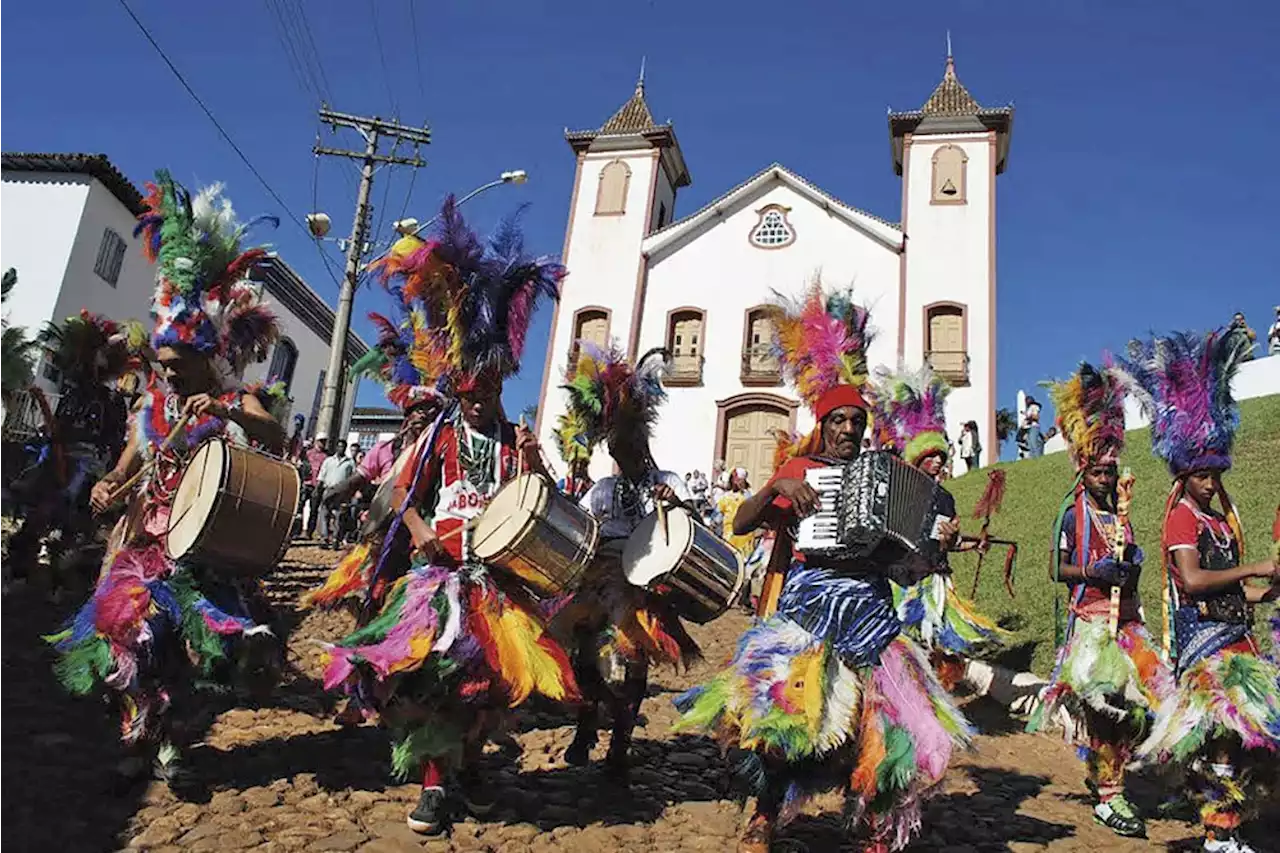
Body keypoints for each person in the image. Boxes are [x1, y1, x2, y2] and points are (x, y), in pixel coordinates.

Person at [674, 283, 972, 853]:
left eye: (856, 426)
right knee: (782, 715)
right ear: (823, 424)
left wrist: (940, 546)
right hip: (809, 600)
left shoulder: (883, 475)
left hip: (871, 605)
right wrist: (778, 486)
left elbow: (909, 564)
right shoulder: (800, 468)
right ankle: (765, 811)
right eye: (839, 424)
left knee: (888, 719)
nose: (848, 433)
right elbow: (742, 526)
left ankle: (872, 822)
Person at [321, 197, 571, 836]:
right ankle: (434, 785)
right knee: (434, 682)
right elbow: (403, 494)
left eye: (492, 384)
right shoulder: (440, 435)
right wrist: (420, 532)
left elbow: (536, 508)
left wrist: (539, 467)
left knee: (486, 689)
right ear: (460, 383)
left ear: (501, 382)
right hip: (442, 576)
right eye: (473, 384)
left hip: (497, 582)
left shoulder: (517, 441)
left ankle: (474, 766)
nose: (482, 393)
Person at [46, 172, 286, 786]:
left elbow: (273, 437)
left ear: (209, 360)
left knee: (189, 653)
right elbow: (132, 454)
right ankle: (137, 730)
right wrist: (108, 485)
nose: (171, 377)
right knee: (126, 637)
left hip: (204, 551)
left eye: (181, 368)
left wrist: (227, 411)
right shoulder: (153, 403)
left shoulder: (236, 395)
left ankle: (173, 745)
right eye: (166, 367)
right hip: (145, 544)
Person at [1120, 329, 1280, 853]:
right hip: (1205, 648)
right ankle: (1217, 833)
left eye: (1216, 473)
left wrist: (1266, 592)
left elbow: (1230, 593)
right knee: (1221, 740)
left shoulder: (1216, 522)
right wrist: (1252, 567)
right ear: (1184, 472)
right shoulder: (1183, 521)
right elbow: (1191, 583)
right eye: (1202, 474)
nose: (1211, 482)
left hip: (1236, 641)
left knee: (1240, 741)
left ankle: (1226, 828)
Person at [1025, 362, 1172, 839]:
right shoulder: (1073, 515)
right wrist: (1093, 572)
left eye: (1111, 470)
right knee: (1108, 708)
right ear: (1082, 470)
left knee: (1155, 703)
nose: (1105, 478)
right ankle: (1109, 793)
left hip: (1129, 625)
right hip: (1092, 626)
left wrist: (1131, 565)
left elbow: (1128, 562)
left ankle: (1129, 774)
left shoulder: (1120, 513)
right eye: (1097, 470)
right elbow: (1056, 569)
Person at [552, 342, 700, 777]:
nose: (622, 452)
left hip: (646, 584)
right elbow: (579, 527)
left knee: (632, 665)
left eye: (629, 445)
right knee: (583, 662)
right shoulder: (599, 489)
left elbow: (692, 532)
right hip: (597, 580)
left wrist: (676, 505)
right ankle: (586, 726)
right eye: (617, 446)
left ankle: (620, 741)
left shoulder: (668, 481)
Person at [874, 366, 1007, 693]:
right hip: (902, 577)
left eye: (940, 455)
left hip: (935, 580)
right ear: (918, 457)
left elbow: (946, 540)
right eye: (930, 456)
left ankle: (935, 693)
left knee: (941, 643)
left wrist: (968, 544)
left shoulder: (945, 497)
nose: (936, 461)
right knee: (903, 641)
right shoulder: (896, 488)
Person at [6, 312, 140, 598]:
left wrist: (108, 478)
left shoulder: (114, 402)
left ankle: (58, 583)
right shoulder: (76, 393)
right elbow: (60, 429)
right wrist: (52, 434)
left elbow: (115, 444)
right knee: (39, 518)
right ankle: (23, 573)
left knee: (68, 530)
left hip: (86, 471)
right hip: (58, 461)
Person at [317, 442, 356, 548]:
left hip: (342, 492)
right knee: (325, 513)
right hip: (328, 489)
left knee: (339, 516)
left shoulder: (350, 462)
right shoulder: (328, 461)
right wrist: (318, 489)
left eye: (343, 447)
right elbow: (321, 475)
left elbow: (353, 478)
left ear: (345, 448)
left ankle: (335, 538)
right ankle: (324, 538)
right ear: (336, 447)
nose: (341, 448)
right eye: (339, 446)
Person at [303, 435, 329, 537]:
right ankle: (296, 531)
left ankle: (309, 532)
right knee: (300, 508)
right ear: (316, 441)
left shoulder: (326, 457)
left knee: (313, 510)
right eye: (321, 441)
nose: (322, 443)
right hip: (306, 483)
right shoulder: (308, 453)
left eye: (324, 441)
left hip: (317, 486)